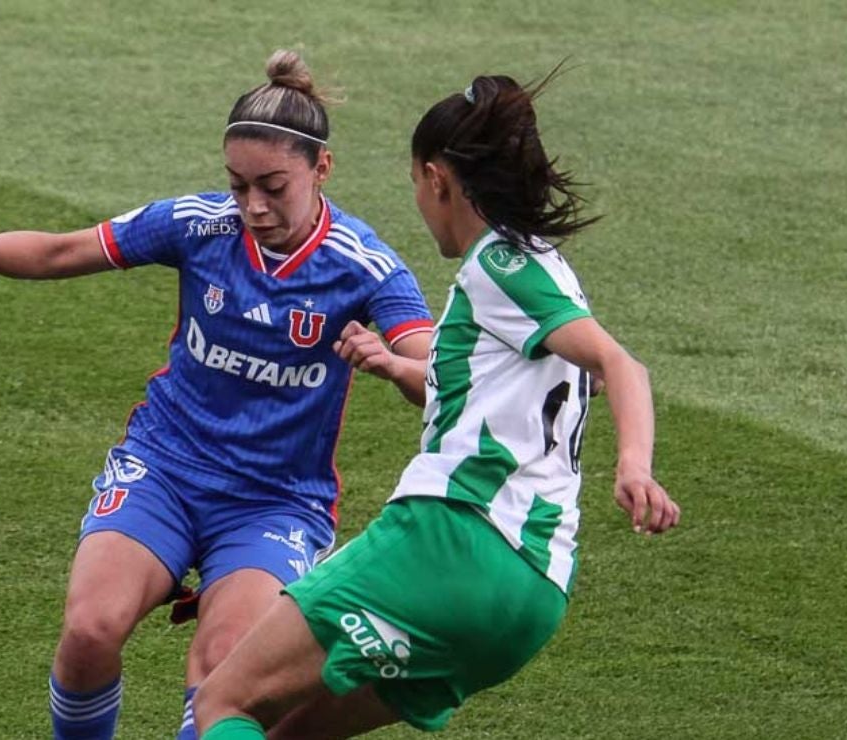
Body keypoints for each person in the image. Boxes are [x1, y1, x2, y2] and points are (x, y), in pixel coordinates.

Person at [0, 50, 434, 740]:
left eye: (273, 186)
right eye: (238, 184)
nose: (252, 205)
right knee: (89, 629)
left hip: (274, 500)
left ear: (322, 170)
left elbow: (434, 370)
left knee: (224, 673)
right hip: (163, 467)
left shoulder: (364, 265)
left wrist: (390, 363)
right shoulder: (198, 225)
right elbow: (65, 251)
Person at [192, 69, 683, 739]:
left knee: (226, 703)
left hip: (449, 542)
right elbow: (507, 390)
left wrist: (634, 466)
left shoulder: (497, 267)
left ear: (437, 179)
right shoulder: (552, 272)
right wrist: (396, 363)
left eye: (416, 187)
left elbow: (621, 365)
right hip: (530, 596)